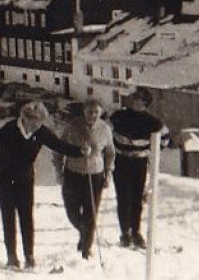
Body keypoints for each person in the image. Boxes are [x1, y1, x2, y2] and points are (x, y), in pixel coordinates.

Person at [0, 100, 86, 270]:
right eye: (35, 122)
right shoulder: (10, 128)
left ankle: (29, 255)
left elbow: (58, 145)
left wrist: (79, 152)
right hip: (4, 175)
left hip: (24, 177)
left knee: (26, 215)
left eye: (40, 122)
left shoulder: (41, 132)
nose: (38, 126)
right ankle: (11, 256)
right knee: (8, 215)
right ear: (25, 118)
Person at [54, 99, 117, 259]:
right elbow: (59, 149)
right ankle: (84, 231)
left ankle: (86, 249)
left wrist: (108, 173)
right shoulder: (72, 127)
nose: (93, 115)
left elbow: (110, 153)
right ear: (84, 112)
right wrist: (59, 170)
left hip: (95, 175)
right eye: (90, 112)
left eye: (96, 112)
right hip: (73, 174)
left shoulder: (105, 129)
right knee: (72, 212)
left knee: (91, 214)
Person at [109, 87, 167, 248]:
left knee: (136, 199)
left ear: (145, 103)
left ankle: (136, 232)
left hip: (138, 164)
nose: (134, 100)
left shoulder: (152, 122)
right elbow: (107, 132)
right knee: (123, 198)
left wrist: (149, 151)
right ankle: (124, 234)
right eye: (134, 97)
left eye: (138, 98)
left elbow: (166, 138)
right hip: (121, 162)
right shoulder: (119, 116)